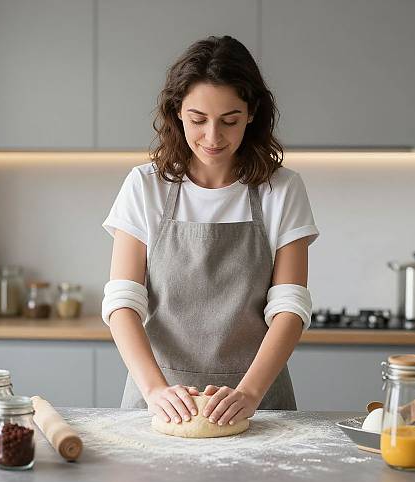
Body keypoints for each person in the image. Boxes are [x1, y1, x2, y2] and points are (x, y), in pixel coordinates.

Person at [102, 35, 319, 428]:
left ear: (252, 113)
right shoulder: (145, 186)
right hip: (159, 400)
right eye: (198, 120)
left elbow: (289, 307)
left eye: (230, 120)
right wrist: (155, 390)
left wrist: (249, 394)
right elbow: (122, 302)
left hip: (257, 402)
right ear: (177, 113)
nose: (213, 137)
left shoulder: (281, 189)